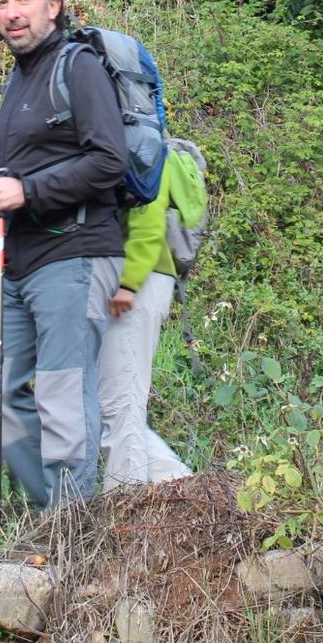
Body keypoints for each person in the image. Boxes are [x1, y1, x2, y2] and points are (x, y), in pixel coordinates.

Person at [0, 0, 125, 509]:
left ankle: (73, 532)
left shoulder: (80, 67)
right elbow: (17, 179)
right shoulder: (16, 83)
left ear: (54, 5)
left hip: (76, 253)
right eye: (2, 2)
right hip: (20, 261)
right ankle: (57, 511)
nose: (11, 13)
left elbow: (109, 160)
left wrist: (29, 191)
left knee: (63, 391)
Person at [97, 155, 204, 489]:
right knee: (109, 398)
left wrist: (129, 282)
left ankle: (125, 500)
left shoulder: (146, 151)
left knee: (122, 397)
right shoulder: (143, 145)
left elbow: (149, 222)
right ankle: (172, 480)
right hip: (132, 280)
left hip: (136, 283)